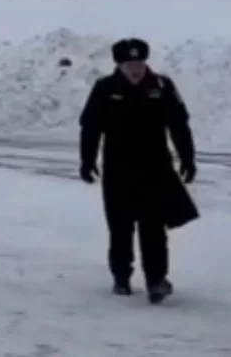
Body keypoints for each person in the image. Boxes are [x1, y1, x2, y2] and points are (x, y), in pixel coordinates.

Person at [79, 37, 198, 304]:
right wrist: (87, 161)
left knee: (154, 228)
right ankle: (121, 278)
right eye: (129, 63)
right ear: (119, 65)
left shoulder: (161, 86)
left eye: (139, 62)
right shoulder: (105, 88)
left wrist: (188, 159)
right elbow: (91, 127)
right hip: (118, 170)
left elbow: (179, 124)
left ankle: (156, 280)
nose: (135, 68)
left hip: (155, 169)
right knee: (120, 228)